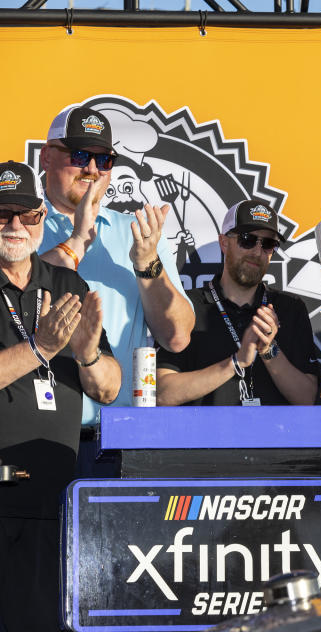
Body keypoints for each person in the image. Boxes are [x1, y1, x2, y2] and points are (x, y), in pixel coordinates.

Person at [36, 106, 194, 473]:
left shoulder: (136, 231)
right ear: (46, 156)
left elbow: (178, 337)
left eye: (104, 160)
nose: (92, 169)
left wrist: (147, 263)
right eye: (79, 155)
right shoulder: (19, 223)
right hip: (37, 434)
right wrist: (76, 241)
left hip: (121, 438)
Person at [0, 161, 119, 632]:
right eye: (2, 214)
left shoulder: (67, 284)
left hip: (57, 504)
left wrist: (88, 355)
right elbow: (39, 351)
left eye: (26, 215)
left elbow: (108, 388)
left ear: (42, 215)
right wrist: (41, 348)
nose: (14, 226)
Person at [155, 200, 318, 406]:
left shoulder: (290, 308)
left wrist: (268, 349)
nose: (257, 252)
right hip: (204, 438)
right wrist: (236, 362)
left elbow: (306, 398)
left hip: (274, 437)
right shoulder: (188, 306)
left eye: (267, 244)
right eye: (247, 240)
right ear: (224, 243)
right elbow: (161, 394)